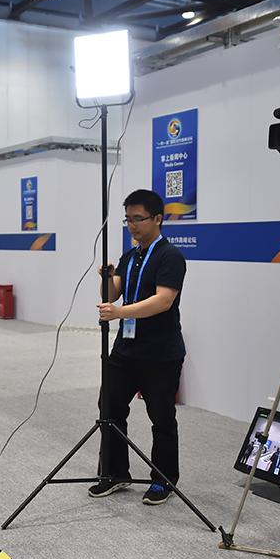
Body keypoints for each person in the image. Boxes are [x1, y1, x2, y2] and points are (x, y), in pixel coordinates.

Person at [88, 189, 187, 506]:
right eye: (128, 219)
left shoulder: (170, 256)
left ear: (158, 218)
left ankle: (163, 480)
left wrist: (119, 314)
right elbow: (112, 295)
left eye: (138, 218)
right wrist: (107, 277)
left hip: (160, 354)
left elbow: (163, 300)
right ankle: (115, 473)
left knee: (161, 417)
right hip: (125, 351)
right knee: (110, 409)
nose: (132, 225)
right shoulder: (130, 257)